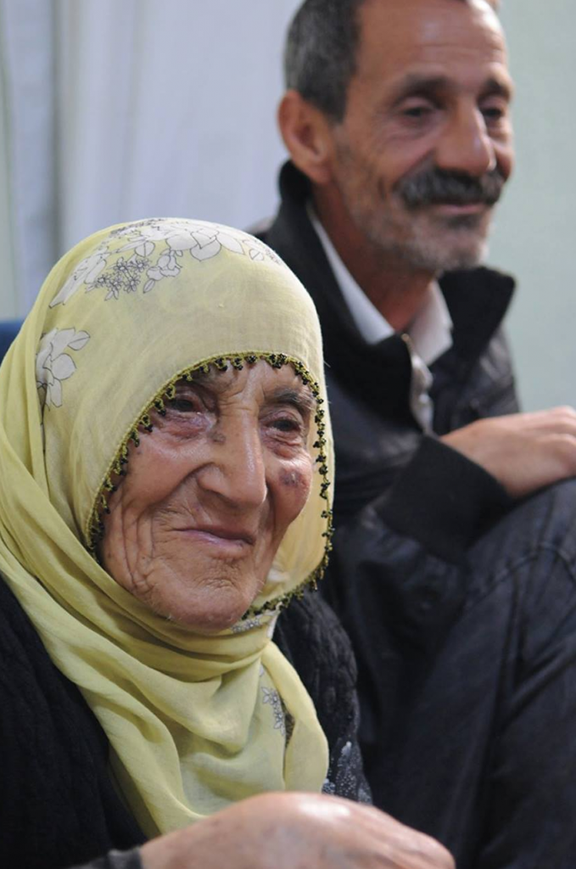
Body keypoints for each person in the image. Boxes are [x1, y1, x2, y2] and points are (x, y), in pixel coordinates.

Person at [0, 217, 455, 869]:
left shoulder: (298, 641)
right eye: (182, 402)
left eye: (283, 422)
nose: (247, 486)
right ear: (65, 424)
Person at [256, 0, 576, 865]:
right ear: (309, 133)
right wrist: (442, 486)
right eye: (419, 108)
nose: (477, 153)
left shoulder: (469, 325)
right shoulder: (239, 346)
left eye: (494, 108)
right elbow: (257, 690)